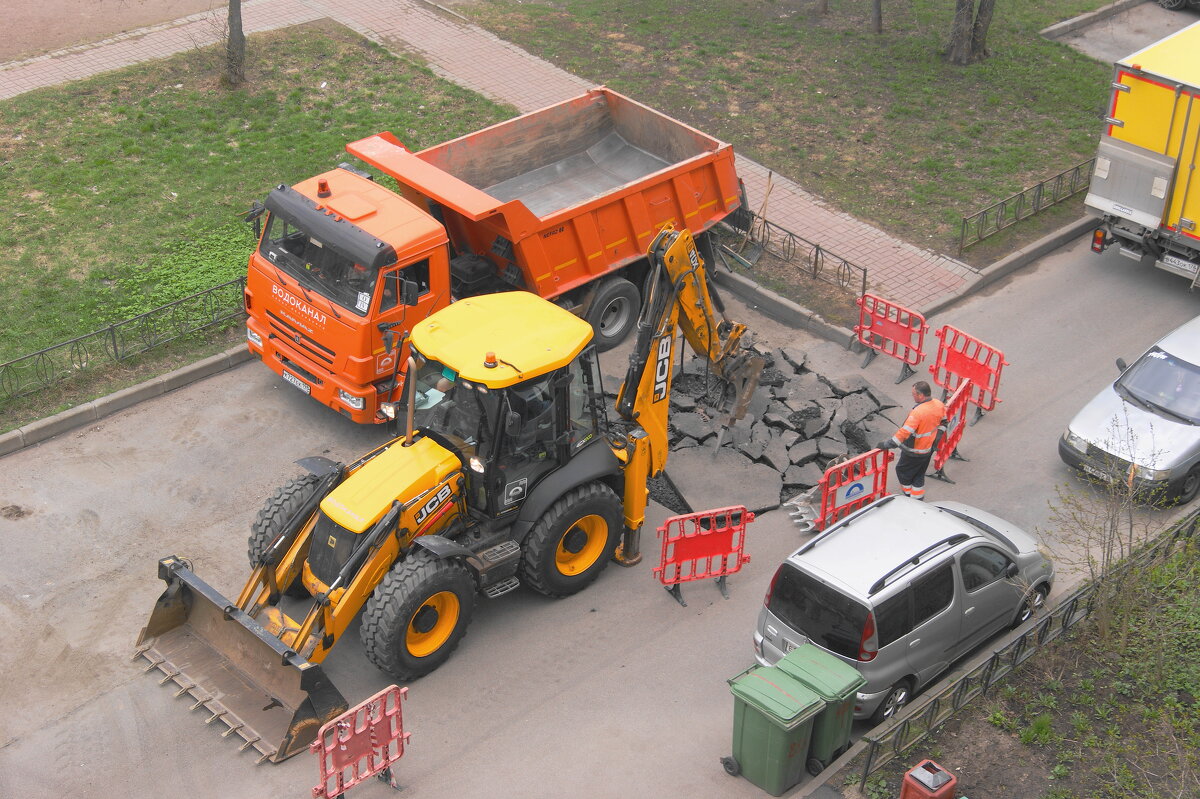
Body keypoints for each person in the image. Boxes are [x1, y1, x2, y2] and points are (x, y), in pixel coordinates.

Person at [877, 380, 947, 501]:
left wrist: (887, 444)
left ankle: (909, 496)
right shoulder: (939, 404)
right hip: (928, 449)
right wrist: (937, 438)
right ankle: (918, 498)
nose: (912, 396)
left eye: (914, 394)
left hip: (915, 451)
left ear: (921, 395)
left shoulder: (918, 412)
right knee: (919, 474)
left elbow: (905, 432)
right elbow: (944, 422)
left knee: (902, 471)